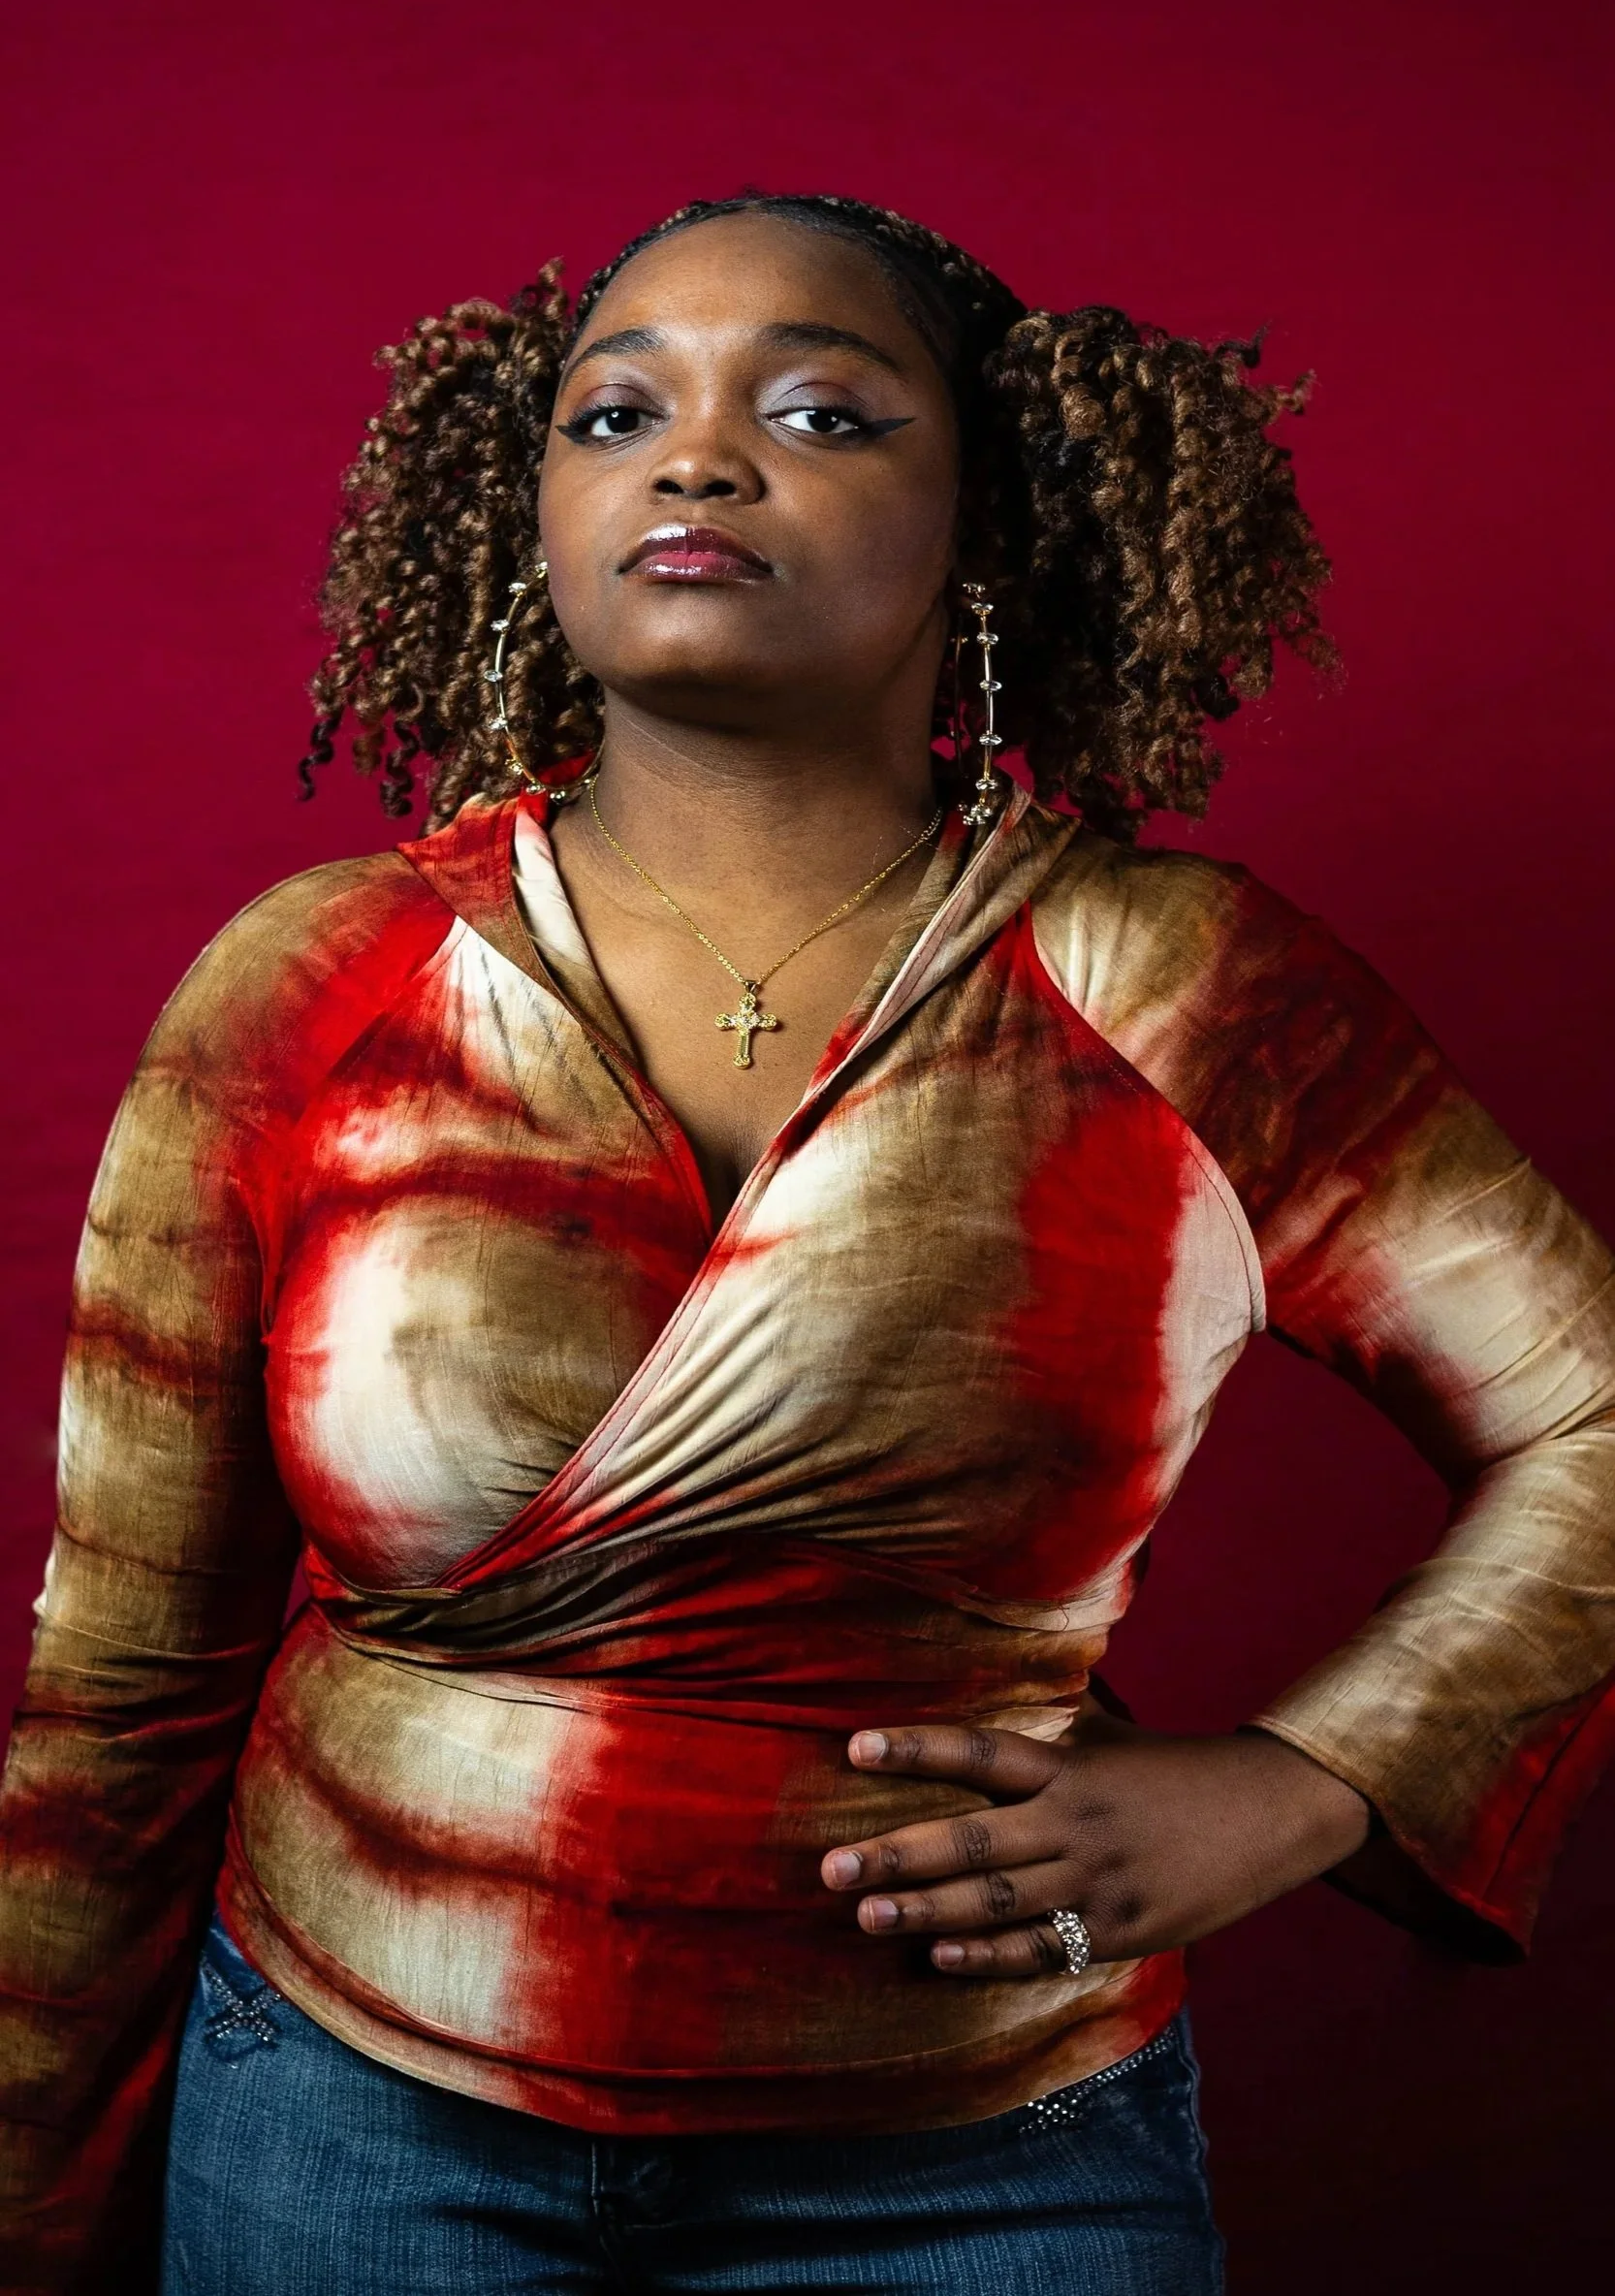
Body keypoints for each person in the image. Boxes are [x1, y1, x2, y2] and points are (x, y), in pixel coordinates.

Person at [2, 191, 1612, 2296]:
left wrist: (1295, 1788)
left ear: (984, 525)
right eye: (612, 411)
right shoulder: (317, 985)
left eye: (821, 410)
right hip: (346, 2114)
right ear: (536, 520)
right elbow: (124, 1674)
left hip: (986, 2154)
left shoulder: (1170, 986)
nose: (691, 455)